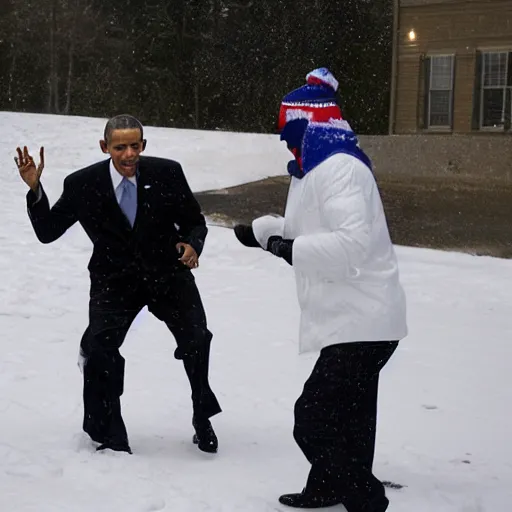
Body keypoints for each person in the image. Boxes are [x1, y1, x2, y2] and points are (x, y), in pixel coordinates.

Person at [234, 68, 407, 511]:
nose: (283, 141)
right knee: (351, 416)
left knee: (312, 419)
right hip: (353, 315)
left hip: (362, 316)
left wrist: (288, 247)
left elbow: (351, 243)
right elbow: (304, 229)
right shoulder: (315, 169)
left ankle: (364, 498)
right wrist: (261, 232)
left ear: (308, 125)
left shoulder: (341, 170)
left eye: (288, 130)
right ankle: (328, 487)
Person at [15, 114, 221, 454]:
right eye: (120, 147)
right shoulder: (83, 183)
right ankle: (109, 433)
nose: (129, 155)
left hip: (167, 275)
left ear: (144, 145)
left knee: (197, 338)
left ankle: (202, 415)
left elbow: (193, 221)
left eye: (135, 146)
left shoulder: (167, 173)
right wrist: (35, 189)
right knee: (100, 351)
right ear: (104, 147)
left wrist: (191, 243)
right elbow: (48, 232)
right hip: (114, 281)